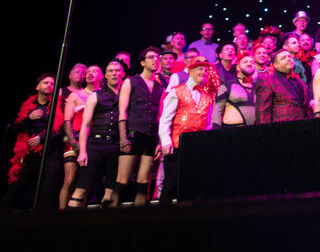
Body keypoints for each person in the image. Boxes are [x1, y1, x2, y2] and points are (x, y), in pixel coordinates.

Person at [158, 58, 219, 205]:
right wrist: (166, 142)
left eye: (205, 70)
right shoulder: (176, 91)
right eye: (200, 69)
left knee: (193, 182)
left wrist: (206, 143)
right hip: (177, 144)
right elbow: (165, 119)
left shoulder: (207, 96)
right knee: (171, 183)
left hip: (197, 146)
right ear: (190, 71)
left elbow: (208, 123)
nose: (203, 72)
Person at [69, 60, 125, 208]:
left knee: (110, 192)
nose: (114, 73)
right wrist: (82, 151)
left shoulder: (126, 95)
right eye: (110, 71)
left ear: (122, 74)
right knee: (81, 189)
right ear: (105, 75)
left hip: (116, 146)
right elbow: (85, 125)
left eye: (117, 70)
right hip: (95, 145)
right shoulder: (96, 95)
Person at [3, 74, 63, 211]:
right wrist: (29, 118)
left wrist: (42, 138)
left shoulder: (59, 105)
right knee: (17, 192)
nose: (49, 85)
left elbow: (61, 131)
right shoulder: (29, 106)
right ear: (37, 87)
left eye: (52, 83)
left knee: (47, 193)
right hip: (29, 156)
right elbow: (14, 129)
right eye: (46, 82)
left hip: (50, 154)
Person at [117, 46, 165, 206]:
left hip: (150, 136)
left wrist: (159, 141)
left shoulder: (159, 86)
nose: (155, 60)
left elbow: (159, 115)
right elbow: (122, 111)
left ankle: (140, 221)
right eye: (151, 57)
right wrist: (123, 137)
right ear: (143, 62)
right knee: (122, 181)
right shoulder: (131, 81)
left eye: (157, 57)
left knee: (143, 182)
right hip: (133, 134)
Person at [60, 64, 102, 209]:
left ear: (101, 76)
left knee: (86, 183)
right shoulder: (75, 95)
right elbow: (67, 121)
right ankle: (62, 213)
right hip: (75, 140)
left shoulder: (103, 95)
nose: (90, 74)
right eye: (88, 72)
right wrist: (73, 142)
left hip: (94, 141)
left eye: (94, 71)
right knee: (70, 179)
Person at [255, 49, 311, 123]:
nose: (288, 59)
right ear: (276, 65)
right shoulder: (267, 81)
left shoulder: (300, 81)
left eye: (289, 57)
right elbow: (262, 113)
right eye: (283, 58)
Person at [212, 53, 257, 128]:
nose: (249, 64)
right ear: (238, 67)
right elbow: (217, 111)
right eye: (245, 62)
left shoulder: (258, 87)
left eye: (252, 62)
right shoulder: (226, 85)